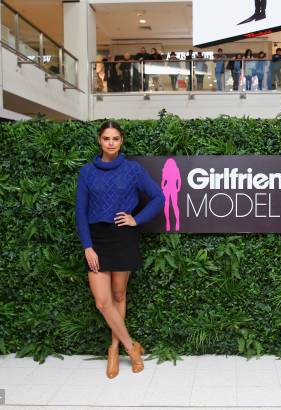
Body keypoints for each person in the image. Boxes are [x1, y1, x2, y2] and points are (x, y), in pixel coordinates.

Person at [75, 121, 165, 379]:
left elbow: (159, 197)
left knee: (118, 293)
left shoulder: (132, 170)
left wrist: (136, 219)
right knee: (103, 302)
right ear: (99, 141)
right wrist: (87, 246)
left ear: (121, 140)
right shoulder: (87, 172)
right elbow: (80, 212)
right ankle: (130, 346)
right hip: (98, 239)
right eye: (106, 138)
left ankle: (114, 349)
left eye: (115, 138)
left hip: (123, 236)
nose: (111, 143)